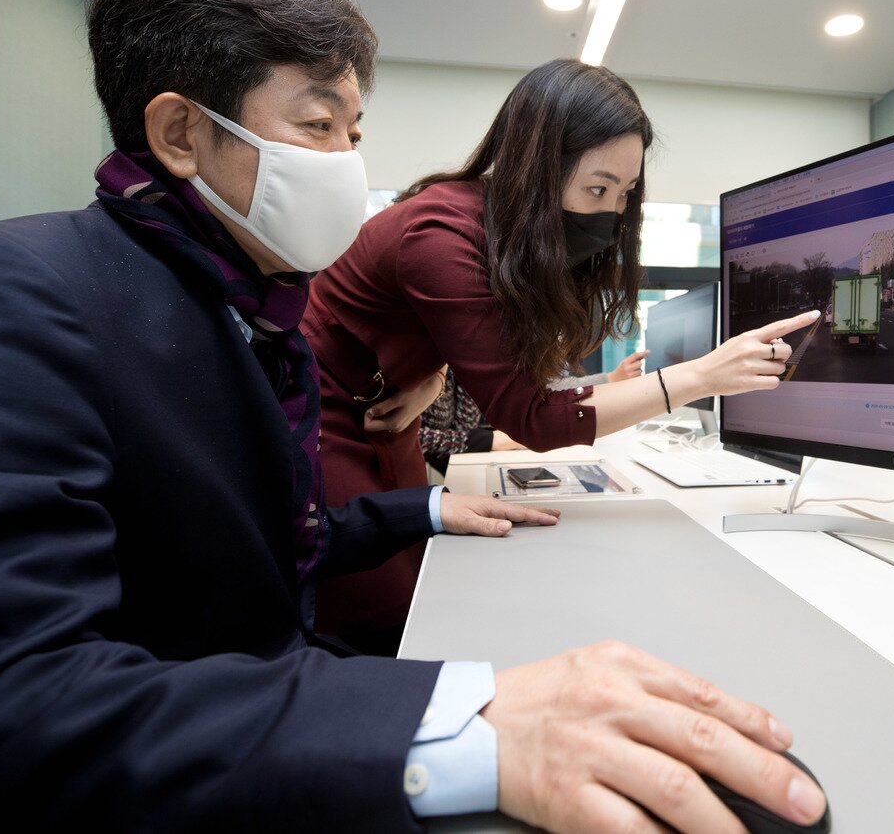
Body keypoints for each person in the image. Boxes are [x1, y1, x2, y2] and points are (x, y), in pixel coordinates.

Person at [0, 0, 827, 833]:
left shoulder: (254, 314)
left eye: (354, 132)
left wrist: (418, 511)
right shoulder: (3, 290)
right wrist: (469, 722)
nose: (348, 162)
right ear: (182, 133)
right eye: (318, 126)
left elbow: (260, 540)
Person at [303, 59, 817, 639]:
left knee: (420, 584)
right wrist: (699, 377)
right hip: (325, 414)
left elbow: (444, 328)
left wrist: (433, 374)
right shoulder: (441, 236)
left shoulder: (496, 228)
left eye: (624, 193)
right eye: (597, 188)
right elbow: (533, 419)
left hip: (387, 408)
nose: (611, 213)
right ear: (535, 171)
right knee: (376, 609)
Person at [421, 351, 649, 477]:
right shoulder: (424, 368)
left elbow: (465, 424)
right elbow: (548, 389)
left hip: (459, 461)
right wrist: (490, 440)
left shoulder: (457, 363)